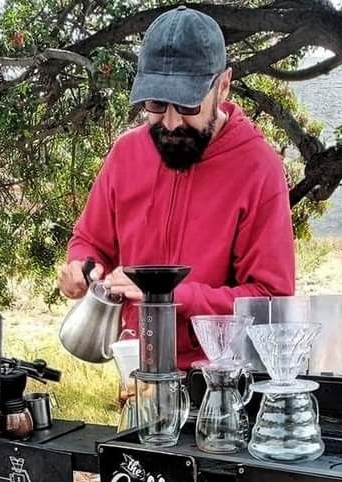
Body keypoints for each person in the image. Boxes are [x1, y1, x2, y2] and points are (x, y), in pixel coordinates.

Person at [58, 5, 295, 369]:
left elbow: (269, 300)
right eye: (155, 103)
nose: (169, 122)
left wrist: (168, 294)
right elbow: (91, 241)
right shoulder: (126, 153)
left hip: (220, 381)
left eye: (186, 103)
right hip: (136, 371)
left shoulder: (258, 167)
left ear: (223, 85)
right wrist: (81, 267)